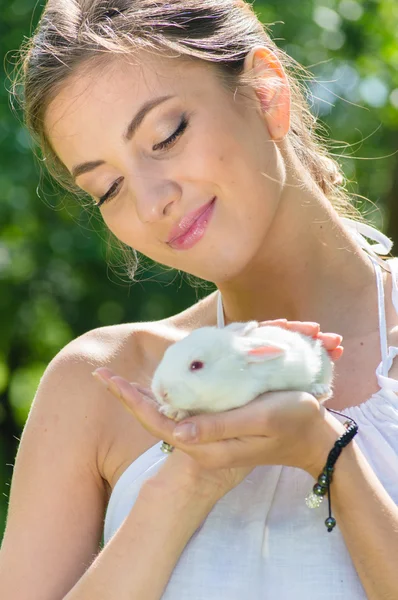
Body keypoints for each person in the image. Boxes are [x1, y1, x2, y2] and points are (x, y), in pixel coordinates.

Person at [1, 1, 397, 598]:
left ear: (266, 92)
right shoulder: (104, 382)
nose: (150, 200)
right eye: (107, 187)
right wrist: (187, 480)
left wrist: (328, 454)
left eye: (167, 136)